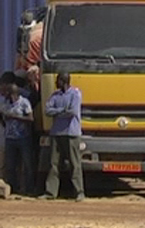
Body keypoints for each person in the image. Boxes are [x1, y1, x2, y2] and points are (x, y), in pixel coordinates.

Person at [42, 71, 85, 202]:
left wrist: (57, 112)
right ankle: (51, 192)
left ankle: (79, 192)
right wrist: (62, 111)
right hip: (56, 133)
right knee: (53, 164)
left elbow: (72, 111)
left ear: (64, 81)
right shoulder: (55, 95)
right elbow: (47, 110)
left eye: (58, 80)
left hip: (71, 133)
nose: (56, 83)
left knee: (74, 163)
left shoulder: (75, 94)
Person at [2, 73, 34, 196]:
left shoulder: (24, 103)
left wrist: (15, 117)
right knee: (10, 166)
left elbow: (31, 119)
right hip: (10, 138)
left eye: (8, 93)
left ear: (14, 94)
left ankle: (29, 189)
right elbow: (3, 117)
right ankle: (12, 188)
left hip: (23, 138)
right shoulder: (6, 103)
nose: (6, 96)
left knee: (27, 165)